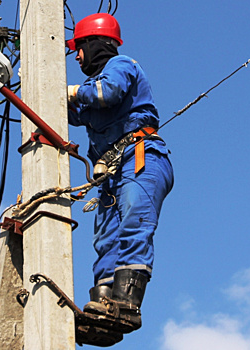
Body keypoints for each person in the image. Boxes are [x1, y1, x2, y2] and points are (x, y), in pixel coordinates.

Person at [66, 13, 174, 333]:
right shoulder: (89, 87)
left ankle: (126, 305)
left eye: (79, 47)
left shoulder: (121, 65)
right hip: (111, 173)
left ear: (94, 43)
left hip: (140, 157)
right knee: (106, 239)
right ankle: (104, 309)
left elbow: (106, 93)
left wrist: (69, 91)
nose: (76, 55)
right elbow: (71, 111)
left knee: (133, 221)